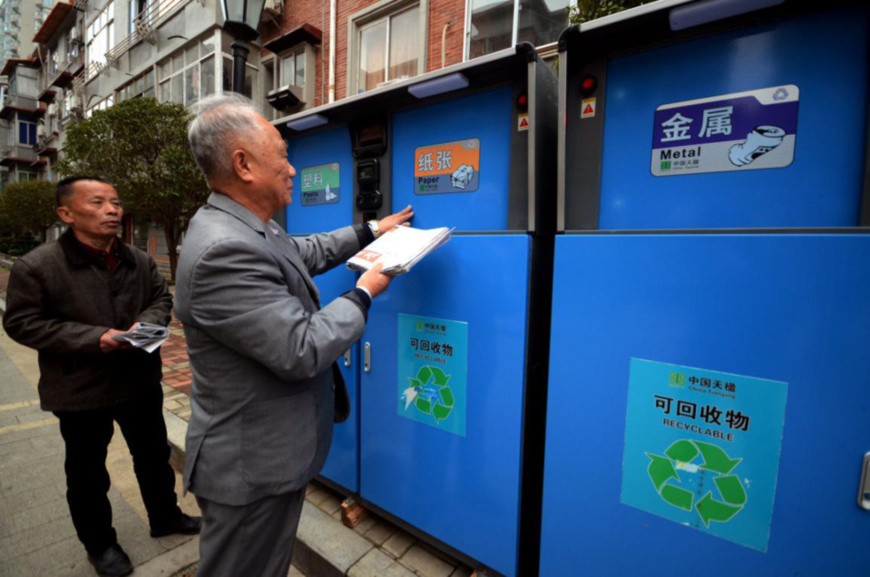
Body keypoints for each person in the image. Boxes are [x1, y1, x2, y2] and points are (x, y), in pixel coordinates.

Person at [177, 93, 412, 576]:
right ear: (243, 164)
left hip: (268, 457)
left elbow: (304, 250)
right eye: (282, 155)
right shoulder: (224, 249)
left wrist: (371, 230)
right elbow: (301, 349)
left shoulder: (243, 225)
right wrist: (364, 292)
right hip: (250, 468)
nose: (293, 169)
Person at [2, 176, 201, 577]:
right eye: (98, 202)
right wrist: (97, 338)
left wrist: (145, 324)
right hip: (79, 388)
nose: (113, 209)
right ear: (66, 214)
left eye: (115, 202)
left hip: (139, 380)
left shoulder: (136, 259)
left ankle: (165, 516)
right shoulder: (38, 266)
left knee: (153, 456)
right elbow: (22, 323)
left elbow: (161, 298)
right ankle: (101, 545)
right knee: (88, 472)